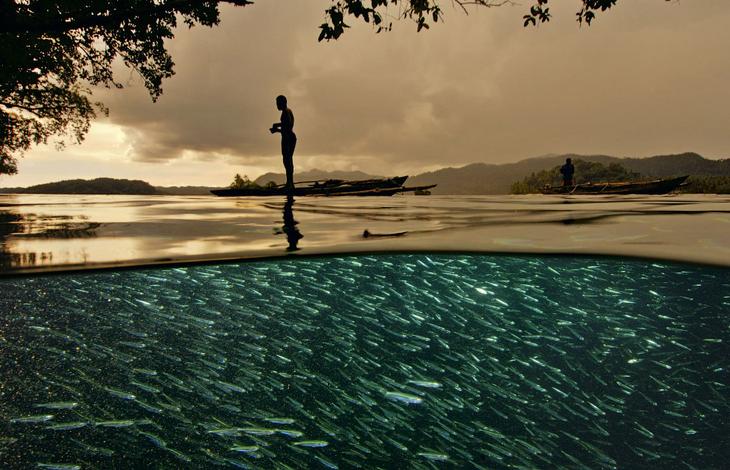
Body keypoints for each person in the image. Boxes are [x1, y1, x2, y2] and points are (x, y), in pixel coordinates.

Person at [269, 95, 296, 193]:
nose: (277, 105)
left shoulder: (286, 112)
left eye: (278, 103)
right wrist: (277, 128)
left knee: (287, 161)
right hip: (289, 137)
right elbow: (286, 127)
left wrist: (276, 127)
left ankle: (290, 184)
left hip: (288, 138)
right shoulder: (288, 111)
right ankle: (290, 183)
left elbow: (287, 127)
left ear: (283, 103)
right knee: (287, 161)